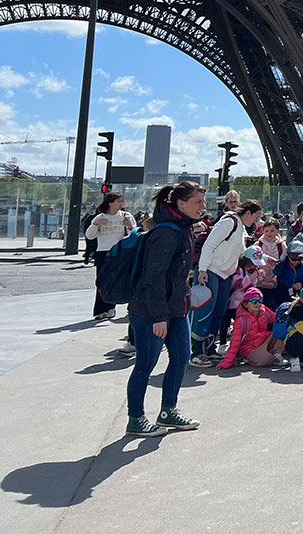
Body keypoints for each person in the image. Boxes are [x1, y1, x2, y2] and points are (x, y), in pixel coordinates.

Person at [125, 181, 206, 437]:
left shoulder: (182, 228)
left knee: (182, 357)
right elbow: (154, 277)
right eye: (198, 202)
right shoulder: (166, 233)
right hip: (151, 311)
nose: (203, 208)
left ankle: (167, 410)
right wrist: (159, 317)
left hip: (176, 308)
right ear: (180, 204)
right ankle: (136, 418)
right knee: (145, 364)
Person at [193, 199, 263, 365]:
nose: (256, 220)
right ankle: (197, 353)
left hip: (225, 275)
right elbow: (209, 245)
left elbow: (241, 254)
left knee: (218, 313)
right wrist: (202, 269)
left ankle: (209, 349)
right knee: (205, 313)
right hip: (211, 271)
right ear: (248, 213)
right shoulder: (229, 222)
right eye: (256, 216)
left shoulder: (241, 228)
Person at [86, 190, 136, 320]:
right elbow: (89, 236)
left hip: (120, 252)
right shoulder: (100, 217)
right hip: (102, 252)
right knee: (101, 281)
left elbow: (135, 235)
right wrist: (95, 224)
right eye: (118, 201)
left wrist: (130, 226)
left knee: (116, 280)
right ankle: (100, 310)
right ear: (110, 203)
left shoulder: (126, 216)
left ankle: (111, 307)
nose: (121, 204)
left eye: (122, 201)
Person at [215, 287, 276, 370]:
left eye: (260, 301)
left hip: (265, 341)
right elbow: (234, 343)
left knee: (281, 329)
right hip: (250, 348)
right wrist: (227, 362)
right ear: (246, 304)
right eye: (254, 301)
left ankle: (276, 354)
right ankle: (262, 356)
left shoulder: (264, 310)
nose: (258, 304)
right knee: (267, 359)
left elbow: (277, 318)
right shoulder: (241, 320)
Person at [268, 239, 303, 311]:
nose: (296, 261)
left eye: (300, 258)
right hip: (281, 291)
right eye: (293, 258)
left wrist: (301, 284)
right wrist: (283, 259)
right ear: (288, 255)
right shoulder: (283, 264)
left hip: (295, 293)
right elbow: (276, 271)